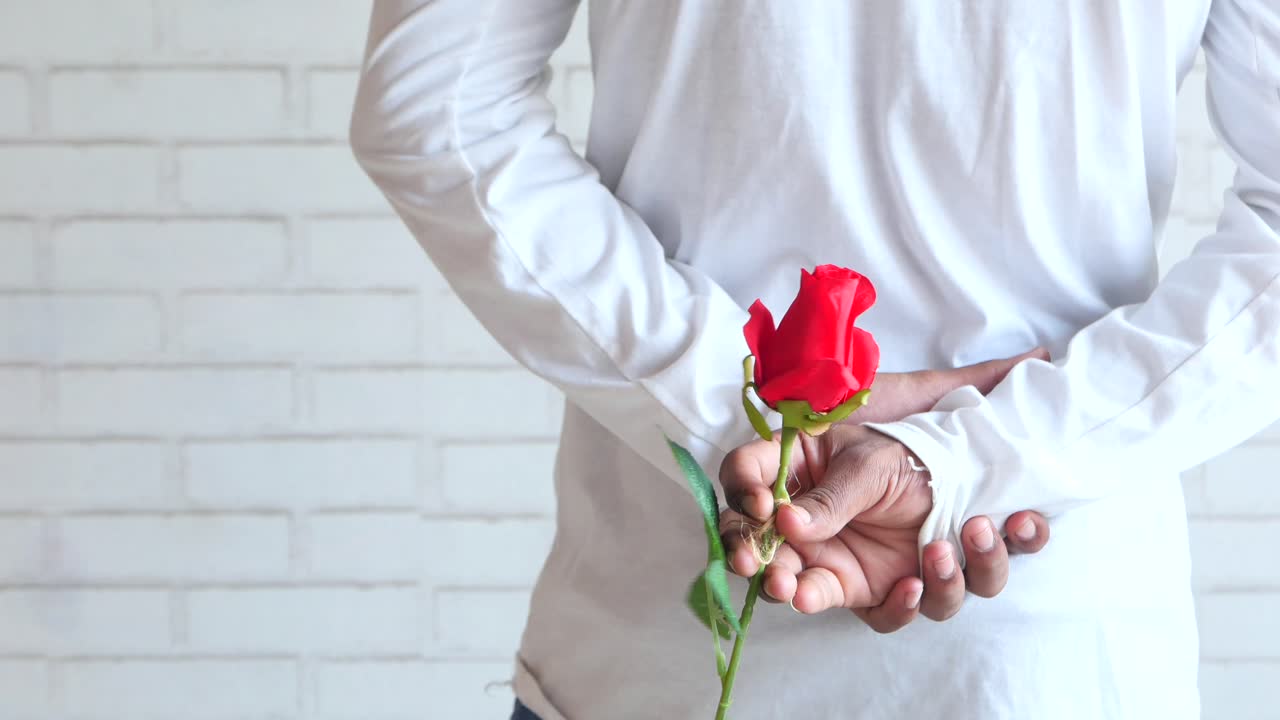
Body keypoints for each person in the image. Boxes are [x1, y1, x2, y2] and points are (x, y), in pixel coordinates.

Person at [350, 1, 1279, 718]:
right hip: (1053, 652)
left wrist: (753, 418)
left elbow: (435, 112)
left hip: (650, 656)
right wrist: (974, 459)